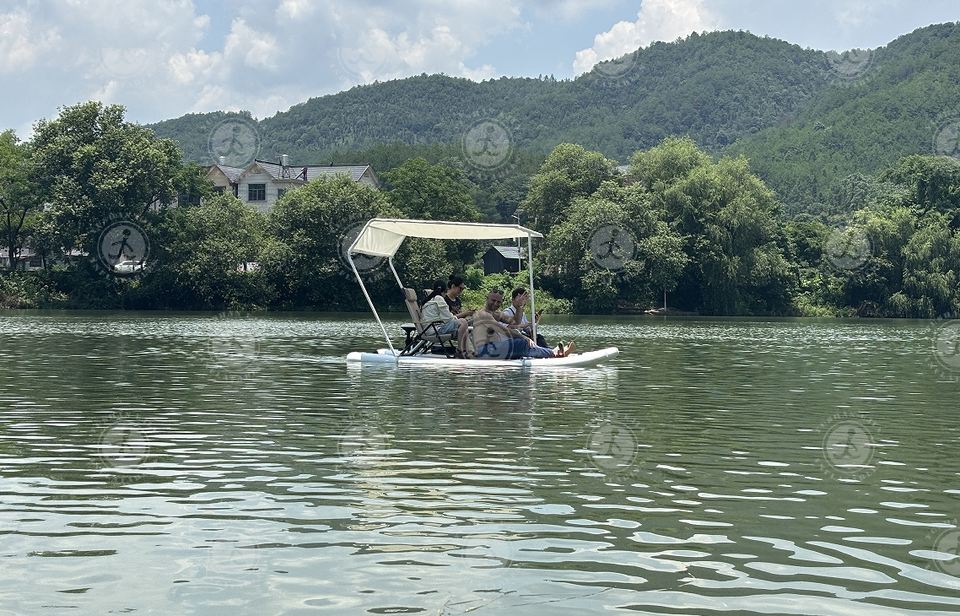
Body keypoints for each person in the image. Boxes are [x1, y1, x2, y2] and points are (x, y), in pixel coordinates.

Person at [473, 289, 556, 359]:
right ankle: (551, 353)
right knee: (521, 341)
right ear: (487, 298)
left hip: (496, 347)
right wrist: (524, 337)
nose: (495, 303)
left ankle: (550, 352)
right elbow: (504, 330)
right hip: (485, 350)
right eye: (493, 300)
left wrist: (519, 306)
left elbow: (516, 322)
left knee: (525, 342)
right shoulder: (483, 314)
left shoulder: (497, 314)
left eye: (498, 302)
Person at [501, 288, 575, 357]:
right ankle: (553, 352)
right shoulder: (507, 312)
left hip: (521, 336)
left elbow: (529, 330)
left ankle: (550, 351)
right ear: (513, 300)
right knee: (525, 340)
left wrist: (535, 322)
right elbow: (505, 328)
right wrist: (524, 325)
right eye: (519, 297)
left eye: (524, 298)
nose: (522, 300)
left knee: (539, 338)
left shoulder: (522, 313)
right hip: (512, 339)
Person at [420, 280, 471, 357]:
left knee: (463, 324)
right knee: (463, 322)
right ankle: (461, 351)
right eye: (446, 291)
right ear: (443, 290)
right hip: (435, 330)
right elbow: (448, 318)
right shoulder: (439, 298)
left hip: (430, 329)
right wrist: (459, 319)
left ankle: (465, 351)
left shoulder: (430, 299)